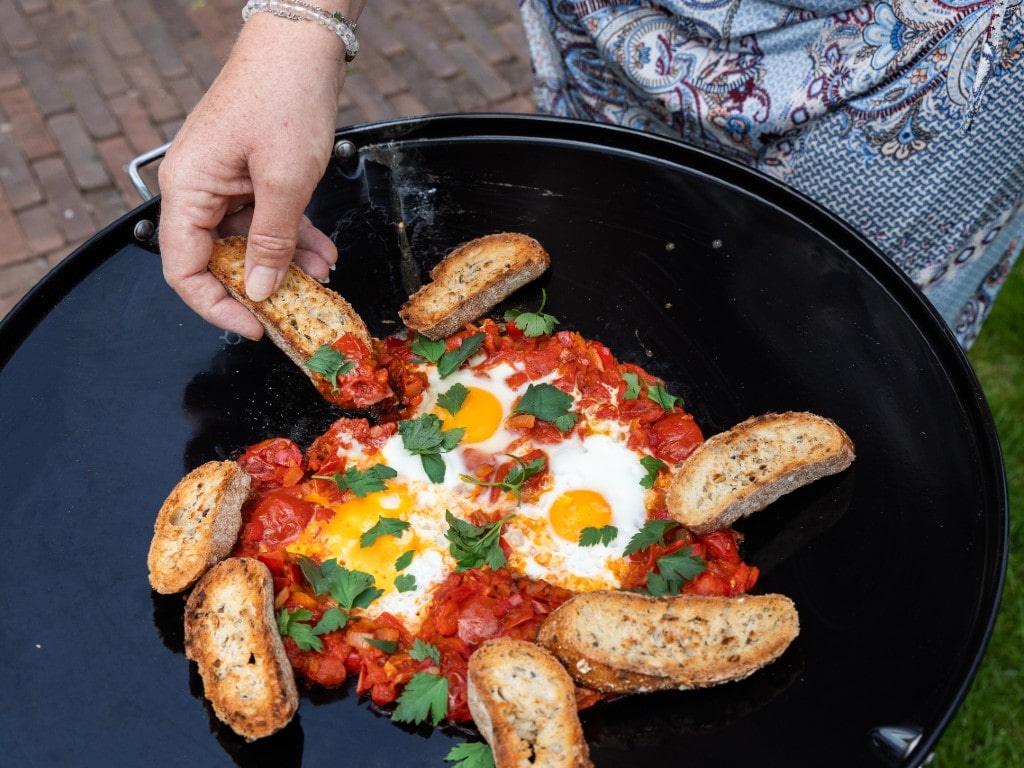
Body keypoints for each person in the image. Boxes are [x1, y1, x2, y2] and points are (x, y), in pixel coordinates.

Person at [158, 0, 1023, 348]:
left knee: (853, 350)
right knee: (603, 268)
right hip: (622, 20)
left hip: (945, 59)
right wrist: (296, 26)